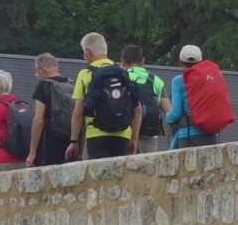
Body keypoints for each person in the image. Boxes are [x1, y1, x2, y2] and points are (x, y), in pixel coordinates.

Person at [69, 32, 143, 161]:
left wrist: (74, 142)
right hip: (122, 134)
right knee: (120, 178)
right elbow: (138, 109)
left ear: (88, 52)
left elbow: (77, 113)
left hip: (96, 134)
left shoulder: (85, 74)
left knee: (99, 179)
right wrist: (134, 139)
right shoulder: (124, 73)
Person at [164, 44, 234, 148]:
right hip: (211, 135)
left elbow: (175, 113)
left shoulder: (178, 81)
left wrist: (167, 117)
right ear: (201, 61)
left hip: (188, 136)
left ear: (181, 62)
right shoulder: (210, 77)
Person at [120, 44, 168, 153]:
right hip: (149, 137)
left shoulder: (121, 78)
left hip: (126, 134)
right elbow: (168, 110)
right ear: (143, 61)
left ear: (122, 61)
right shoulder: (156, 81)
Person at [26, 52, 71, 167]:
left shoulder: (43, 87)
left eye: (37, 72)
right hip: (70, 143)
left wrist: (32, 152)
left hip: (49, 144)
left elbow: (38, 121)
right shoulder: (72, 84)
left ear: (41, 69)